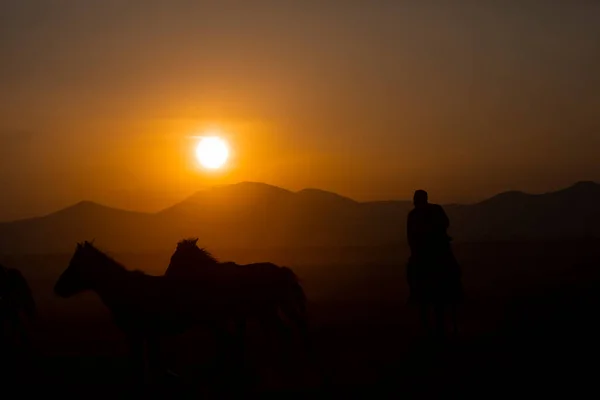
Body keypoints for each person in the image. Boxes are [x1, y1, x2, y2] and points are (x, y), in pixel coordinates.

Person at [406, 190, 462, 337]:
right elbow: (411, 237)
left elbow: (444, 224)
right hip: (427, 250)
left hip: (433, 248)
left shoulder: (422, 213)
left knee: (452, 267)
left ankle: (415, 293)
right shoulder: (423, 213)